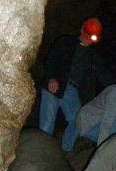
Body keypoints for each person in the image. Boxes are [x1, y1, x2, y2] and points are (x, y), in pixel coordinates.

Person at [39, 17, 109, 152]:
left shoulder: (91, 56)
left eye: (93, 38)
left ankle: (64, 151)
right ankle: (40, 156)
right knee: (47, 125)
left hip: (71, 90)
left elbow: (103, 75)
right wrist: (51, 78)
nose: (89, 40)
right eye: (88, 35)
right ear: (82, 30)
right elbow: (50, 60)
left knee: (77, 121)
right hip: (54, 85)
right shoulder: (66, 42)